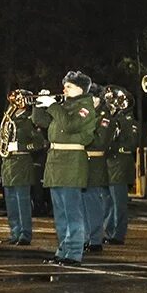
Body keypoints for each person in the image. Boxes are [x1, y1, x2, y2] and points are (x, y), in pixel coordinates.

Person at [33, 71, 97, 266]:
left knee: (72, 211)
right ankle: (63, 250)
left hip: (71, 162)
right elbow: (41, 121)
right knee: (60, 211)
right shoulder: (64, 106)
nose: (64, 89)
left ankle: (74, 252)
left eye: (68, 86)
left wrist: (52, 105)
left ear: (80, 88)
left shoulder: (85, 107)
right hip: (56, 161)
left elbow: (70, 125)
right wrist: (39, 105)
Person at [0, 89, 45, 246]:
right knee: (11, 202)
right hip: (8, 164)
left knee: (22, 202)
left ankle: (25, 234)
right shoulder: (8, 118)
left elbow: (40, 143)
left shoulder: (29, 120)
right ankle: (14, 232)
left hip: (22, 162)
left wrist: (20, 146)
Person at [83, 83, 115, 254]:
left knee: (93, 204)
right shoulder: (87, 115)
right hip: (83, 163)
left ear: (96, 99)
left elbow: (100, 141)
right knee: (83, 205)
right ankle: (86, 237)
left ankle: (95, 240)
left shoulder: (105, 117)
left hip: (94, 164)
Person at [103, 85, 137, 245]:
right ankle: (109, 231)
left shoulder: (128, 121)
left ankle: (118, 234)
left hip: (121, 164)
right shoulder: (112, 119)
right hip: (109, 164)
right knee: (108, 202)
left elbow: (132, 142)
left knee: (119, 203)